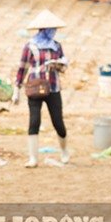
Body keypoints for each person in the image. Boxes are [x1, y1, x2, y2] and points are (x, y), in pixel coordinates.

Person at [11, 9, 70, 168]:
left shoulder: (57, 46)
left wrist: (58, 65)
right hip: (35, 88)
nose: (53, 32)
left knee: (58, 122)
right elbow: (22, 68)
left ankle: (64, 151)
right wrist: (16, 90)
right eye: (51, 29)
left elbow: (63, 68)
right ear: (43, 30)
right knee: (34, 121)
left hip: (53, 87)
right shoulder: (30, 46)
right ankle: (33, 158)